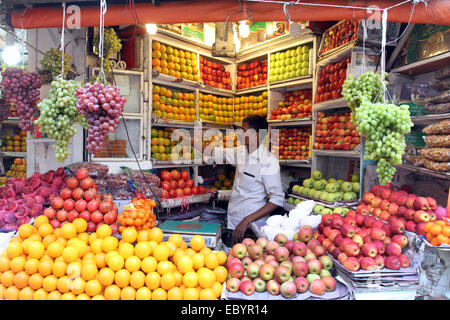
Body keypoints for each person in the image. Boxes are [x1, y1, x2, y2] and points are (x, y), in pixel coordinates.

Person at [180, 115, 284, 246]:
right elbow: (211, 151)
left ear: (256, 135)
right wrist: (186, 139)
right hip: (233, 221)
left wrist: (247, 220)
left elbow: (277, 200)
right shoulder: (240, 152)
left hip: (251, 227)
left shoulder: (269, 162)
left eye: (243, 130)